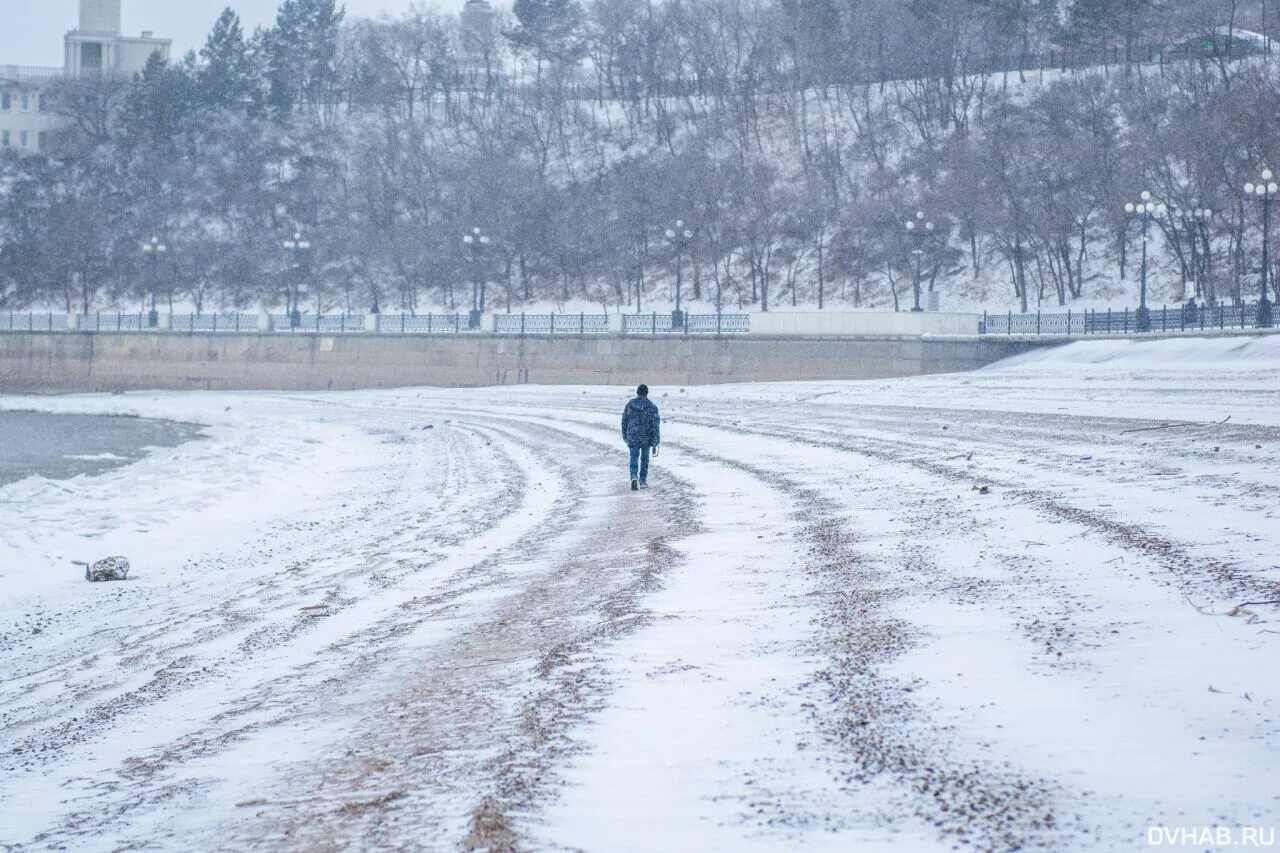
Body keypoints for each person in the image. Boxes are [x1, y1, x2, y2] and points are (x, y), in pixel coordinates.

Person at [621, 384, 661, 491]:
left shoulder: (630, 405)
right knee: (644, 459)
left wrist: (625, 435)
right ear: (647, 393)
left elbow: (624, 421)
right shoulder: (652, 407)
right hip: (646, 436)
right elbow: (655, 424)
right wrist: (656, 440)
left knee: (633, 457)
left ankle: (634, 476)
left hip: (633, 435)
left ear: (637, 392)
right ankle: (643, 480)